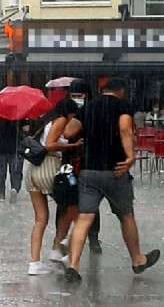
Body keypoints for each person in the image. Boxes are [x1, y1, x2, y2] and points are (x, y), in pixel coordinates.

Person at [63, 77, 160, 282]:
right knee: (126, 215)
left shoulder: (89, 107)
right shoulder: (122, 106)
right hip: (115, 170)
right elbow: (125, 128)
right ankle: (138, 260)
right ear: (121, 91)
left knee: (85, 217)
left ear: (103, 90)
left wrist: (83, 138)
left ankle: (73, 266)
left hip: (89, 170)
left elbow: (68, 130)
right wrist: (130, 156)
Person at [24, 98, 82, 275]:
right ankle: (63, 247)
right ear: (69, 112)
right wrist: (72, 145)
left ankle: (34, 263)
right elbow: (50, 144)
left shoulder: (46, 120)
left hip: (33, 171)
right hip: (48, 167)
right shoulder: (61, 120)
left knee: (41, 219)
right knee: (75, 207)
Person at [56, 79, 103, 255]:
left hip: (87, 163)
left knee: (90, 203)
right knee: (66, 199)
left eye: (80, 96)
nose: (77, 99)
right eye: (74, 96)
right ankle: (61, 238)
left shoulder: (92, 112)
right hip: (68, 164)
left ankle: (93, 237)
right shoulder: (66, 111)